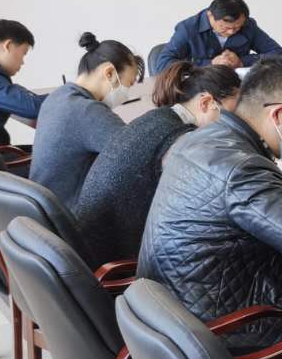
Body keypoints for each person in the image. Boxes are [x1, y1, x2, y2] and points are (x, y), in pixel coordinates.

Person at [138, 56, 282, 355]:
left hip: (176, 309)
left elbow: (236, 198)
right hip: (224, 329)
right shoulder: (243, 166)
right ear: (278, 114)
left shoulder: (201, 137)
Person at [74, 62, 240, 268]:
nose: (237, 124)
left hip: (93, 249)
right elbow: (208, 205)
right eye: (234, 114)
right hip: (118, 262)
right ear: (206, 103)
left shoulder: (158, 117)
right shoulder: (180, 141)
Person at [29, 33, 141, 212]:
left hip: (45, 210)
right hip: (72, 215)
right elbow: (139, 153)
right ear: (109, 73)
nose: (127, 93)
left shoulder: (59, 95)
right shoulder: (87, 111)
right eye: (129, 84)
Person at [154, 0, 282, 73]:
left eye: (237, 27)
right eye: (225, 27)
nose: (231, 32)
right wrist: (209, 64)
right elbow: (163, 65)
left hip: (237, 87)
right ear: (210, 15)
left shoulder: (248, 25)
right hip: (199, 88)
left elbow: (277, 53)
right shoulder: (188, 29)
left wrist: (241, 62)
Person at [0, 18, 45, 148]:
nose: (23, 62)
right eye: (24, 53)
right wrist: (68, 93)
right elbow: (33, 108)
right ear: (8, 46)